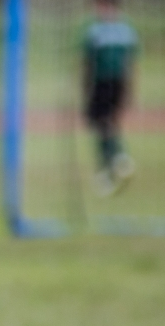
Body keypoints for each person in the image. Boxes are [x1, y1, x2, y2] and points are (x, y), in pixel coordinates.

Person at [83, 0, 139, 195]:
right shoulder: (127, 30)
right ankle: (116, 162)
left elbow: (88, 64)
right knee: (108, 123)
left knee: (102, 123)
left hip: (103, 83)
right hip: (119, 84)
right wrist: (130, 90)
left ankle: (114, 162)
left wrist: (85, 89)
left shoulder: (95, 30)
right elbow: (131, 64)